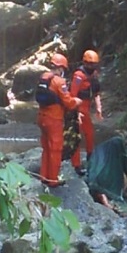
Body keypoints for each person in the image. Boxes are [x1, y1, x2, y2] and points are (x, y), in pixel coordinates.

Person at [36, 53, 82, 188]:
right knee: (55, 149)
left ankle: (44, 176)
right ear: (61, 68)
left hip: (42, 117)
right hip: (54, 119)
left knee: (46, 148)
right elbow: (68, 103)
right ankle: (53, 179)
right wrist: (77, 101)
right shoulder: (59, 82)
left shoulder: (43, 77)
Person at [69, 49, 103, 174]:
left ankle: (90, 157)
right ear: (85, 63)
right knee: (76, 137)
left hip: (86, 109)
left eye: (94, 64)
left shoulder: (94, 75)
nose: (92, 67)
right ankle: (76, 165)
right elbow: (73, 95)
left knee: (89, 134)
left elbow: (96, 92)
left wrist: (98, 107)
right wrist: (76, 112)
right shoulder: (79, 76)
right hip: (77, 108)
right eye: (90, 64)